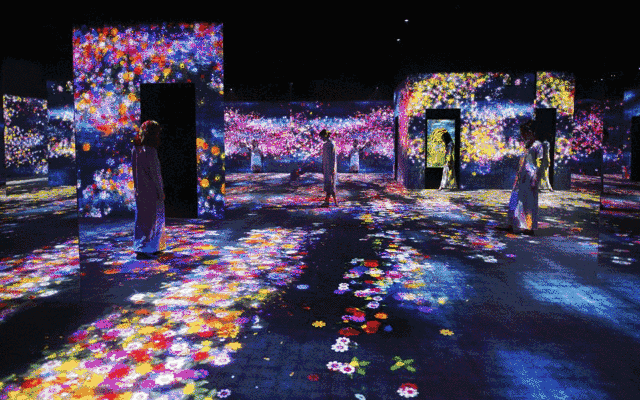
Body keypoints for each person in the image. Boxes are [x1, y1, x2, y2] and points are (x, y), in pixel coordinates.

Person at [497, 120, 544, 236]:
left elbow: (540, 163)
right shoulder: (527, 145)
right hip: (521, 176)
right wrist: (518, 174)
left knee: (528, 201)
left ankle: (529, 227)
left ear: (530, 132)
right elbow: (523, 161)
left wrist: (535, 178)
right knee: (514, 199)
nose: (523, 136)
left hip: (530, 177)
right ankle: (511, 224)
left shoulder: (537, 145)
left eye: (524, 133)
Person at [132, 120, 166, 259]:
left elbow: (134, 172)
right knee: (154, 220)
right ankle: (149, 248)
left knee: (142, 219)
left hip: (141, 189)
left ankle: (143, 247)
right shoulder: (151, 151)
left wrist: (136, 188)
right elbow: (155, 174)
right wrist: (160, 191)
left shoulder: (136, 150)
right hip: (152, 191)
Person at [320, 129, 338, 206]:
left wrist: (333, 168)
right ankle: (329, 201)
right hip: (326, 167)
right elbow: (324, 157)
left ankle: (333, 201)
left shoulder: (331, 144)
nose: (321, 138)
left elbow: (333, 157)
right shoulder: (325, 145)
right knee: (328, 184)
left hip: (330, 167)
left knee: (331, 184)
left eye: (321, 137)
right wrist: (323, 167)